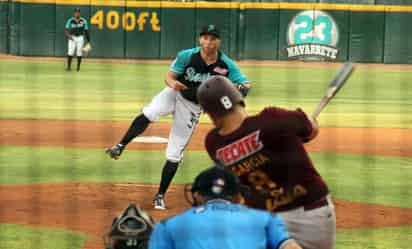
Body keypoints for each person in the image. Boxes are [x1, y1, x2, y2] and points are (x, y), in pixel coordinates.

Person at [106, 24, 251, 210]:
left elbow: (245, 83)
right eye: (205, 38)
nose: (208, 42)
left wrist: (242, 88)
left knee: (174, 153)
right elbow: (169, 76)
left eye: (212, 38)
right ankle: (120, 146)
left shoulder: (225, 64)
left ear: (218, 42)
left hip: (192, 106)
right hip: (174, 93)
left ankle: (160, 196)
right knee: (151, 112)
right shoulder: (187, 55)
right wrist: (173, 84)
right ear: (200, 40)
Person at [197, 76, 336, 249]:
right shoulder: (274, 120)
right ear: (237, 98)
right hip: (312, 213)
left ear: (210, 113)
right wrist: (310, 125)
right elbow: (310, 131)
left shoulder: (214, 144)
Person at [149, 166, 302, 249]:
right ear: (238, 197)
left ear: (197, 195)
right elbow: (290, 247)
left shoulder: (168, 226)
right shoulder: (265, 220)